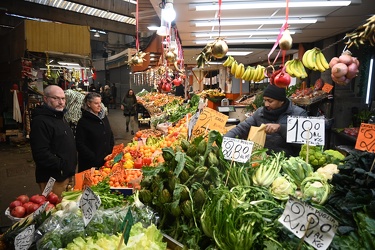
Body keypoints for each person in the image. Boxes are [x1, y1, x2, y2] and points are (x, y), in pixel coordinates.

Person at [225, 84, 308, 157]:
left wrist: (281, 128)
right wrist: (224, 140)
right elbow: (241, 128)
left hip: (289, 162)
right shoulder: (260, 113)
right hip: (263, 160)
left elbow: (304, 142)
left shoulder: (298, 114)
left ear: (281, 101)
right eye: (265, 100)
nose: (266, 104)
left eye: (270, 101)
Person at [30, 85, 77, 198]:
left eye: (63, 98)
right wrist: (61, 165)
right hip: (53, 178)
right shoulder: (40, 122)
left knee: (67, 210)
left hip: (67, 174)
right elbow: (41, 153)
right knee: (55, 211)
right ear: (45, 99)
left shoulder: (59, 117)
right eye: (56, 98)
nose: (61, 102)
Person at [75, 92, 114, 172]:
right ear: (89, 104)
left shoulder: (103, 117)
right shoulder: (83, 122)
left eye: (100, 103)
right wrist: (94, 157)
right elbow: (79, 144)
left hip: (106, 160)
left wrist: (110, 150)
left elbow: (110, 133)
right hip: (90, 164)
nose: (99, 105)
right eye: (96, 103)